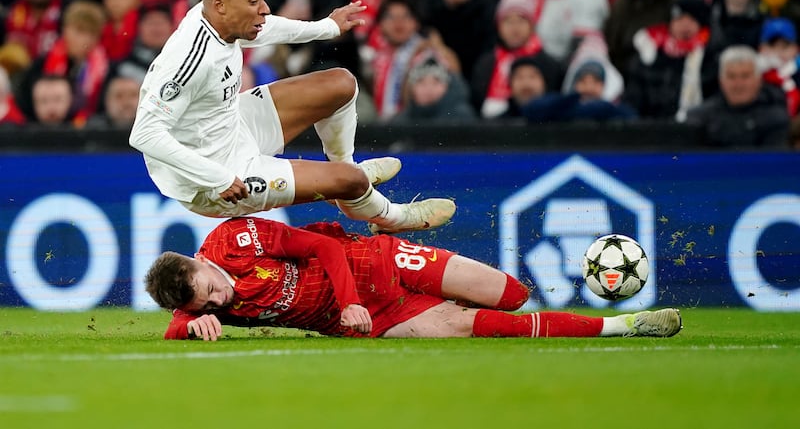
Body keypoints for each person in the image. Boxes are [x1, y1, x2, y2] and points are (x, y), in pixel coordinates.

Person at [128, 0, 454, 234]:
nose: (265, 8)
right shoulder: (190, 59)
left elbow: (265, 28)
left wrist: (326, 27)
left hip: (233, 125)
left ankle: (344, 178)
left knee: (341, 84)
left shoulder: (216, 14)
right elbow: (145, 133)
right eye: (254, 0)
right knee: (351, 182)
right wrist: (217, 177)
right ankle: (391, 217)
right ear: (221, 5)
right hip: (214, 177)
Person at [144, 215, 683, 340]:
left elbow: (323, 246)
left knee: (512, 296)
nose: (223, 297)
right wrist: (188, 327)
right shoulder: (196, 307)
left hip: (370, 262)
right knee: (473, 325)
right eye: (209, 305)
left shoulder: (234, 240)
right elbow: (172, 329)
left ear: (203, 260)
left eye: (213, 285)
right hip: (376, 319)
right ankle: (626, 326)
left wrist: (349, 298)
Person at [686, 44, 790, 147]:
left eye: (745, 76)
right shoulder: (698, 119)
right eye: (731, 76)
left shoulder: (776, 119)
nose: (738, 84)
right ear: (721, 81)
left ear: (759, 80)